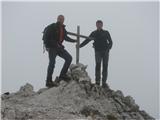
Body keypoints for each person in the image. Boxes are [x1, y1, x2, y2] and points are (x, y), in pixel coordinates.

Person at [43, 15, 77, 88]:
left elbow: (66, 37)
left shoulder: (63, 29)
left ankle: (62, 75)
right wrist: (46, 46)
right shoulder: (52, 26)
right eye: (60, 19)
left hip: (59, 47)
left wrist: (74, 40)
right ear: (57, 19)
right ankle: (49, 81)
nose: (61, 20)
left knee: (69, 58)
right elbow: (46, 36)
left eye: (62, 19)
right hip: (52, 47)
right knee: (52, 63)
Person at [79, 20, 113, 87]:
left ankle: (104, 83)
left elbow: (111, 42)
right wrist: (80, 46)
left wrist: (108, 49)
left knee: (105, 67)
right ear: (96, 25)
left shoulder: (106, 32)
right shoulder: (94, 33)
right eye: (98, 24)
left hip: (105, 52)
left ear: (102, 25)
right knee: (98, 66)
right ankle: (97, 82)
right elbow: (87, 40)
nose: (99, 25)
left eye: (100, 24)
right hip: (98, 52)